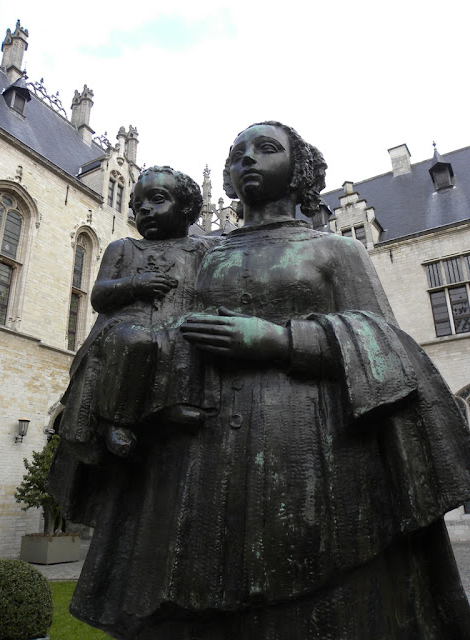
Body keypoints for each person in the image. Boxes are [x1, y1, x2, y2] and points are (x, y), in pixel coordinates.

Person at [50, 125, 470, 640]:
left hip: (319, 463)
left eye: (266, 149)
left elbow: (388, 347)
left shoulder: (336, 251)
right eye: (236, 154)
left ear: (299, 172)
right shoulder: (196, 254)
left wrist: (279, 339)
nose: (247, 158)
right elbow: (137, 325)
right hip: (191, 472)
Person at [56, 165, 218, 463]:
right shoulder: (123, 248)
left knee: (189, 334)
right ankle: (117, 421)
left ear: (188, 208)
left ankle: (172, 401)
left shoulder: (205, 249)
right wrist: (135, 284)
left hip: (177, 325)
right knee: (135, 341)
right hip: (127, 326)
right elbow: (99, 295)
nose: (144, 209)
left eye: (156, 199)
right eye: (137, 204)